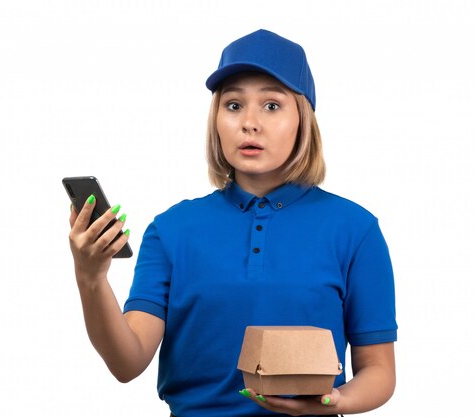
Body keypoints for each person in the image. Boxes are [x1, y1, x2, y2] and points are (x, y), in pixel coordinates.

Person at [68, 29, 397, 417]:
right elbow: (127, 362)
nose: (250, 123)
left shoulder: (355, 229)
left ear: (303, 119)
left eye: (272, 106)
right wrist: (91, 277)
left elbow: (378, 371)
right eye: (234, 105)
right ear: (217, 119)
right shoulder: (171, 230)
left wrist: (335, 402)